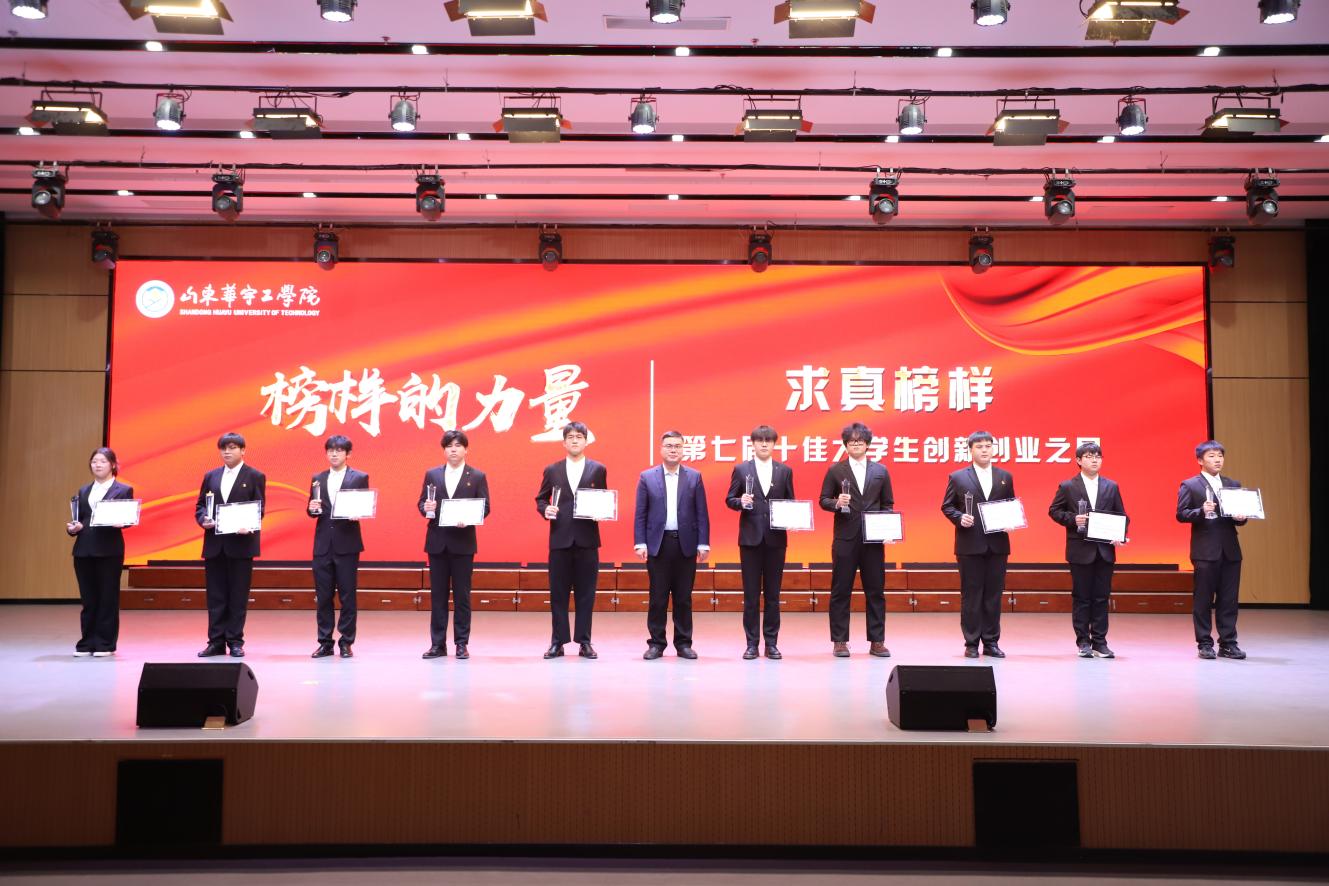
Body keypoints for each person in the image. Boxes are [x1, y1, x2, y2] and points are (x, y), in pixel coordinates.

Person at [817, 422, 894, 658]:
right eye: (851, 442)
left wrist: (887, 528)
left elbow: (887, 504)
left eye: (860, 441)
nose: (856, 445)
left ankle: (877, 641)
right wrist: (836, 503)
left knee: (876, 591)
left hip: (873, 540)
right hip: (845, 539)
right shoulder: (835, 470)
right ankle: (840, 641)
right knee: (841, 590)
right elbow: (823, 500)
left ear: (868, 444)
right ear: (846, 445)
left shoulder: (880, 471)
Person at [1048, 442, 1128, 659]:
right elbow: (1054, 511)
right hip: (1080, 550)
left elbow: (1121, 515)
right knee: (1082, 597)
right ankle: (1083, 641)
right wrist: (1072, 519)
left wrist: (1120, 534)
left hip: (1104, 550)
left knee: (1101, 597)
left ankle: (1100, 642)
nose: (1094, 460)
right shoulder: (1068, 486)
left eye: (1098, 456)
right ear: (1078, 460)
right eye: (1089, 456)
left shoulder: (1111, 486)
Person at [634, 430, 710, 659]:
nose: (673, 450)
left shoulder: (694, 477)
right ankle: (656, 644)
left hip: (685, 544)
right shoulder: (647, 477)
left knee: (683, 598)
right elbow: (640, 513)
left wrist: (703, 543)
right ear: (661, 449)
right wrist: (640, 542)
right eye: (669, 446)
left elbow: (702, 513)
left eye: (677, 446)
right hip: (658, 545)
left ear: (683, 449)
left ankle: (683, 644)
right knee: (658, 597)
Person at [535, 421, 606, 660]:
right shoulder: (552, 470)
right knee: (558, 594)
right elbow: (541, 499)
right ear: (564, 442)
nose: (575, 441)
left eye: (579, 437)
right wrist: (545, 510)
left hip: (587, 540)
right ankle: (558, 642)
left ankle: (584, 642)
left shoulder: (598, 469)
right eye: (570, 437)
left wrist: (602, 511)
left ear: (586, 441)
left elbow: (603, 498)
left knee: (586, 594)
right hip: (560, 539)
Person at [941, 430, 1015, 659]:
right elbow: (947, 506)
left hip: (997, 544)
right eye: (979, 446)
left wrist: (1011, 520)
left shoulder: (1005, 476)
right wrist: (959, 517)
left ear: (993, 449)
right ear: (970, 450)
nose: (984, 450)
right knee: (971, 595)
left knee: (993, 595)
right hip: (970, 544)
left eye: (988, 446)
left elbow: (1010, 503)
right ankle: (971, 643)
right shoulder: (958, 477)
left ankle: (991, 642)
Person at [725, 425, 795, 660]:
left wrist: (794, 518)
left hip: (776, 540)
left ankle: (771, 643)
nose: (764, 444)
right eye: (759, 440)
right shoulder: (741, 469)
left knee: (773, 596)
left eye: (769, 441)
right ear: (752, 444)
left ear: (774, 444)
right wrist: (740, 501)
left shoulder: (784, 471)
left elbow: (790, 501)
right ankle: (752, 644)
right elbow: (730, 499)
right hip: (750, 540)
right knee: (751, 595)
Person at [420, 430, 491, 660]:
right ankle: (437, 644)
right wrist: (425, 508)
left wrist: (469, 518)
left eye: (458, 445)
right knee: (438, 596)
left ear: (466, 449)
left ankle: (461, 643)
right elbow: (422, 503)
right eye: (449, 446)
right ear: (444, 450)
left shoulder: (477, 476)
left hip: (463, 543)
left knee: (462, 596)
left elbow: (485, 507)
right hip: (437, 543)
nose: (453, 449)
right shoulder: (432, 474)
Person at [194, 432, 265, 658]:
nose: (227, 452)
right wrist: (203, 519)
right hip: (215, 544)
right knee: (215, 596)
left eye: (232, 447)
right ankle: (215, 641)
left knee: (238, 596)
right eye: (224, 448)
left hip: (241, 545)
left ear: (243, 450)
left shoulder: (255, 475)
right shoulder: (211, 476)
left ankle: (235, 641)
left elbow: (259, 508)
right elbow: (200, 506)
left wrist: (249, 525)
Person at [1176, 440, 1249, 660]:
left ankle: (1228, 643)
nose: (1217, 460)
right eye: (1212, 456)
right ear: (1200, 460)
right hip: (1205, 551)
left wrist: (1241, 517)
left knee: (1229, 600)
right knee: (1203, 599)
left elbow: (1239, 518)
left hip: (1230, 550)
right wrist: (1200, 511)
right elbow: (1181, 514)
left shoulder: (1232, 484)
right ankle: (1204, 643)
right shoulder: (1190, 485)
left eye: (1220, 455)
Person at [65, 447, 134, 657]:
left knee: (107, 598)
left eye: (102, 461)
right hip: (84, 550)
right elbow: (81, 519)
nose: (97, 465)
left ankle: (105, 643)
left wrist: (123, 522)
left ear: (112, 464)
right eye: (94, 461)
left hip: (109, 550)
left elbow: (128, 517)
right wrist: (73, 528)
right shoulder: (84, 490)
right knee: (88, 599)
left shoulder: (123, 489)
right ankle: (87, 642)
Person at [307, 434, 368, 659]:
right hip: (323, 544)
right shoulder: (318, 478)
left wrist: (358, 512)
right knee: (323, 596)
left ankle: (346, 642)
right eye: (330, 450)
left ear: (348, 454)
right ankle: (325, 642)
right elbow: (312, 510)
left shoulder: (359, 477)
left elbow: (363, 505)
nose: (334, 454)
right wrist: (311, 508)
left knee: (347, 596)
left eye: (339, 450)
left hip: (347, 544)